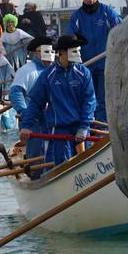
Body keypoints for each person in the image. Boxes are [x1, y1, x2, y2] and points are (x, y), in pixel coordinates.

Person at [22, 34, 97, 168]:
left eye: (79, 50)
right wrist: (26, 126)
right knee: (63, 167)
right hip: (59, 131)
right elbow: (36, 102)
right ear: (62, 52)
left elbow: (89, 101)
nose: (79, 54)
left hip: (81, 130)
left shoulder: (84, 73)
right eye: (75, 51)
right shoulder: (48, 75)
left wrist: (84, 126)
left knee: (85, 166)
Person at [67, 0, 121, 124]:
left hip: (105, 62)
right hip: (86, 65)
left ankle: (102, 127)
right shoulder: (76, 16)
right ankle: (89, 125)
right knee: (89, 97)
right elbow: (70, 38)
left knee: (103, 98)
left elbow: (121, 29)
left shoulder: (107, 12)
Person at [10, 36, 54, 163]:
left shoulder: (56, 70)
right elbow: (16, 92)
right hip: (34, 120)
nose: (50, 54)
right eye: (46, 51)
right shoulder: (27, 70)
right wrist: (23, 111)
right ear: (36, 53)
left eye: (52, 51)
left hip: (52, 120)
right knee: (36, 155)